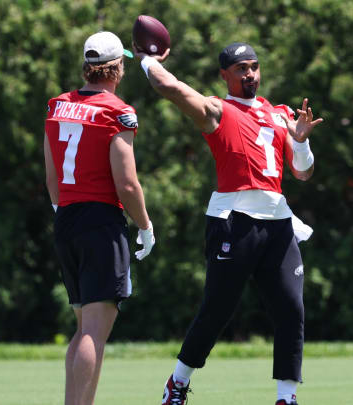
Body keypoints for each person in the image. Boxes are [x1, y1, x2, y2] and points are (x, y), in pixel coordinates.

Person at [135, 42, 323, 405]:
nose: (250, 73)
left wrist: (300, 143)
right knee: (217, 310)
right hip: (233, 221)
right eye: (241, 68)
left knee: (291, 309)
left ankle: (287, 397)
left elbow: (303, 173)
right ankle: (177, 382)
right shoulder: (217, 110)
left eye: (254, 66)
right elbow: (169, 87)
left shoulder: (280, 113)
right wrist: (146, 60)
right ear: (225, 75)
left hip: (278, 222)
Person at [44, 31, 156, 405]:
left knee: (81, 330)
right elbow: (126, 183)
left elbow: (52, 176)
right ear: (117, 69)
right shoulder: (117, 111)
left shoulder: (56, 106)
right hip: (100, 222)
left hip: (67, 219)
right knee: (94, 331)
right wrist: (145, 225)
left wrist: (64, 212)